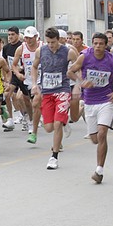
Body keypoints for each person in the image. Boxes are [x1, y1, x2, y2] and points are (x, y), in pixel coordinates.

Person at [68, 33, 113, 183]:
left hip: (106, 101)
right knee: (94, 139)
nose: (98, 47)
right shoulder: (85, 57)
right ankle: (103, 127)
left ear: (105, 45)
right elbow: (70, 72)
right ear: (92, 44)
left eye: (101, 44)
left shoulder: (111, 60)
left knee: (102, 134)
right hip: (89, 102)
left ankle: (99, 170)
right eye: (95, 43)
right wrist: (81, 82)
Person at [38, 28, 79, 168]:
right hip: (47, 91)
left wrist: (78, 83)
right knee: (48, 128)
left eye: (53, 42)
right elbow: (34, 67)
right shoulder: (41, 50)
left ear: (59, 40)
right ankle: (63, 121)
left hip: (62, 90)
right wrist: (34, 83)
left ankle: (54, 157)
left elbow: (79, 65)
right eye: (48, 42)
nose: (51, 45)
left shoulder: (68, 52)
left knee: (56, 125)